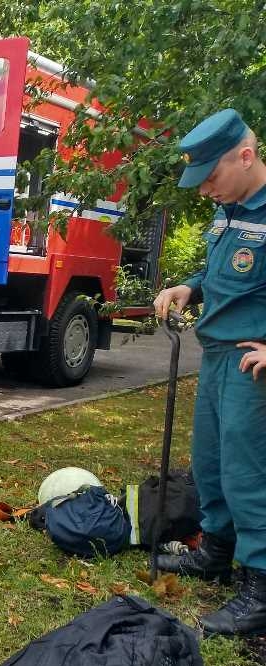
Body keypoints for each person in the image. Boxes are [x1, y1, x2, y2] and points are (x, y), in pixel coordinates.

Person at [154, 108, 266, 637]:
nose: (204, 191)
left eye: (210, 177)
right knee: (211, 463)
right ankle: (216, 555)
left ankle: (260, 585)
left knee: (249, 474)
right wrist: (189, 287)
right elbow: (222, 270)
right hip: (216, 356)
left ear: (245, 156)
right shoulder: (229, 207)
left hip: (252, 364)